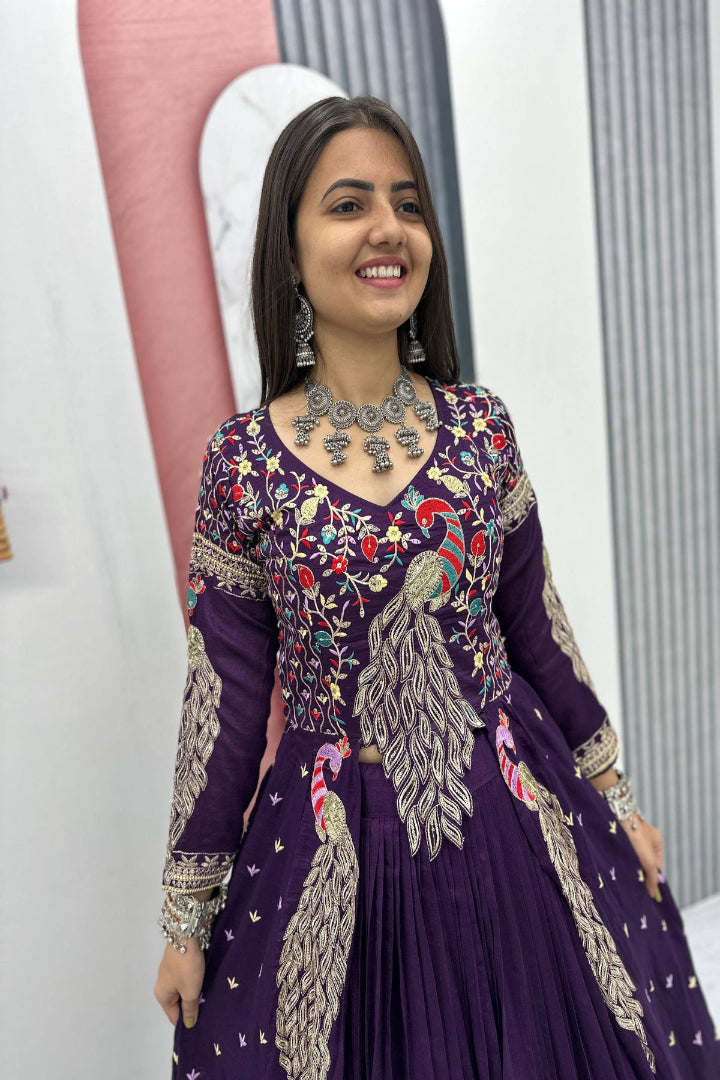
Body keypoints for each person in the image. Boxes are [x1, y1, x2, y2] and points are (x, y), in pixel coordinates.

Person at [153, 95, 719, 1079]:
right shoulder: (243, 465)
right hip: (343, 847)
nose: (388, 229)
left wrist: (616, 796)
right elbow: (227, 703)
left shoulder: (480, 428)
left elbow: (537, 629)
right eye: (348, 204)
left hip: (516, 819)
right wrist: (187, 913)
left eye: (407, 204)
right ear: (288, 253)